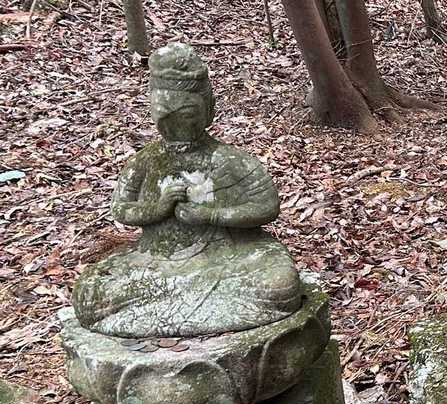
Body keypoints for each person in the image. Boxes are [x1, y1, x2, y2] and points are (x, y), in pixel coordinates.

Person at [72, 44, 304, 338]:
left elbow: (267, 206)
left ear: (208, 109)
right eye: (165, 115)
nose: (176, 123)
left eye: (187, 113)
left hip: (228, 258)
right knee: (90, 296)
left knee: (280, 286)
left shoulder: (230, 160)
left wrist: (211, 215)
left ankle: (159, 318)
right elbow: (121, 209)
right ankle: (199, 315)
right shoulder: (144, 162)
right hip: (155, 261)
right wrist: (157, 209)